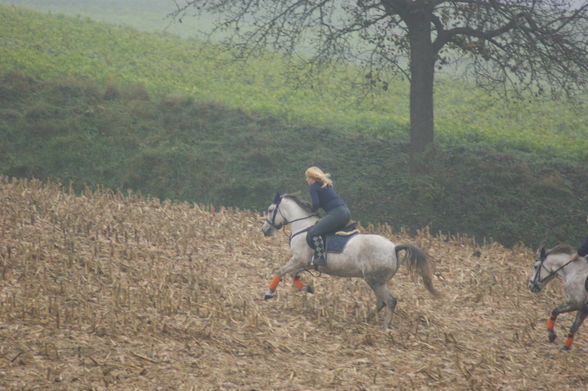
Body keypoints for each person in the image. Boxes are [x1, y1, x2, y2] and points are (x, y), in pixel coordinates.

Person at [304, 166, 351, 267]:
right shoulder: (326, 185)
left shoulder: (313, 187)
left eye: (307, 177)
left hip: (337, 213)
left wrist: (310, 211)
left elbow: (316, 204)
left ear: (312, 178)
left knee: (313, 232)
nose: (306, 180)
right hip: (345, 212)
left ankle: (320, 258)